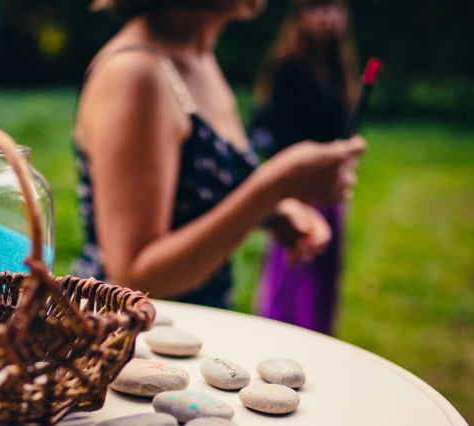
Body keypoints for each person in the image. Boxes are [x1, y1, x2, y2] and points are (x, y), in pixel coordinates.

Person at [70, 0, 365, 310]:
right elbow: (134, 277)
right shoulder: (134, 73)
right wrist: (274, 185)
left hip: (183, 333)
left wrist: (273, 211)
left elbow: (193, 201)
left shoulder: (198, 58)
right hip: (126, 341)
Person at [248, 0, 359, 334]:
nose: (327, 17)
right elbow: (275, 127)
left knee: (324, 275)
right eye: (318, 9)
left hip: (329, 189)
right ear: (300, 15)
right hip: (297, 188)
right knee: (292, 277)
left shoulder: (339, 66)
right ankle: (281, 336)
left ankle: (318, 336)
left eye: (334, 9)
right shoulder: (288, 65)